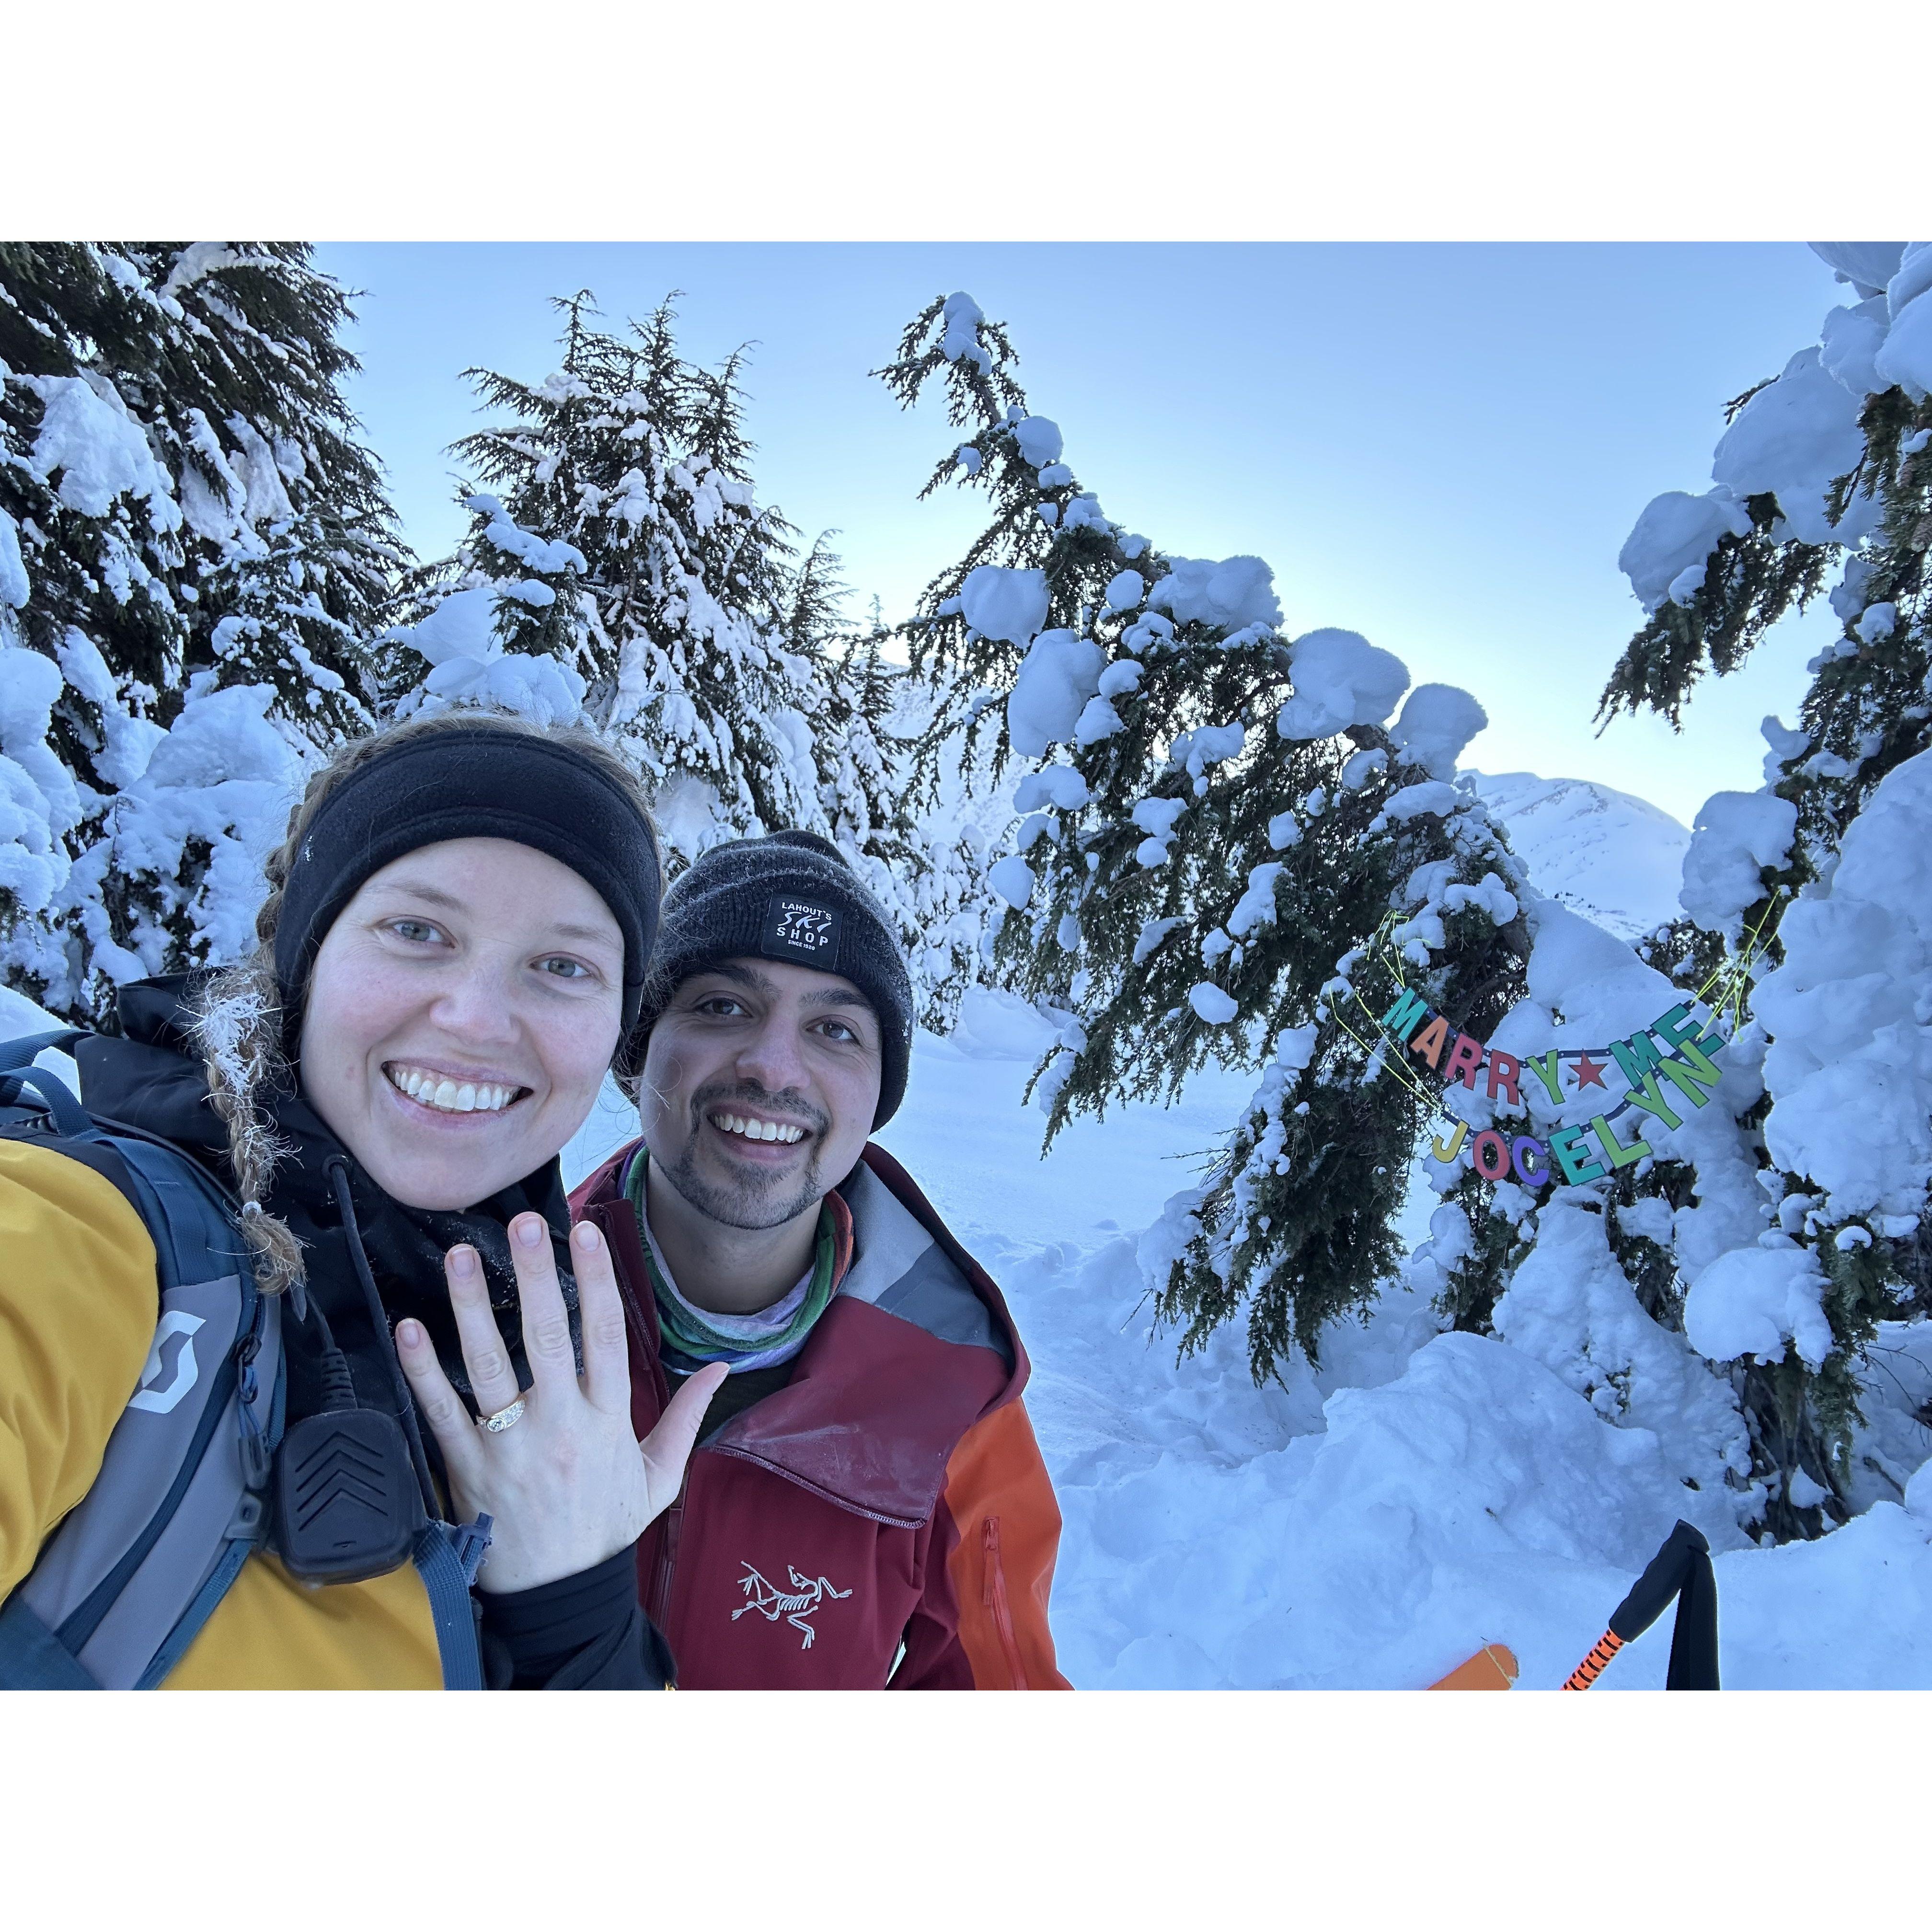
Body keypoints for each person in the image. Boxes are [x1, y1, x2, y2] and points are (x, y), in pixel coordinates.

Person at [0, 710, 722, 1689]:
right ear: (308, 958)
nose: (476, 1019)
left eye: (564, 967)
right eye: (417, 931)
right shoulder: (86, 1235)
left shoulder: (534, 1360)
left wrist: (576, 1617)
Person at [570, 830, 1071, 1688]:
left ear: (878, 1097)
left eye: (834, 1029)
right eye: (722, 1006)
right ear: (637, 1053)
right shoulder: (488, 1316)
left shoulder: (953, 1399)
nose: (773, 1069)